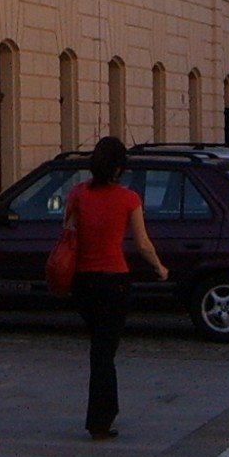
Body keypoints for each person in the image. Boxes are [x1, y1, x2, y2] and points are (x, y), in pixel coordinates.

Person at [64, 136, 168, 440]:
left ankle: (102, 415)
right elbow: (143, 244)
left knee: (99, 348)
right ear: (119, 168)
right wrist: (159, 268)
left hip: (83, 280)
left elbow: (68, 232)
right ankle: (100, 418)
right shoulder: (129, 199)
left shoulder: (77, 194)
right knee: (105, 352)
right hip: (114, 281)